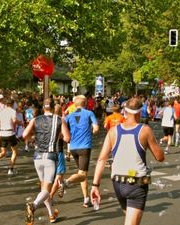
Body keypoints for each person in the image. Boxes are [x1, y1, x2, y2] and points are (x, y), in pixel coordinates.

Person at [90, 97, 164, 225]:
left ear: (125, 111)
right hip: (136, 183)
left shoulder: (113, 131)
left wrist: (95, 185)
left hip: (118, 183)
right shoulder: (145, 130)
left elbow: (102, 159)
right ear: (140, 112)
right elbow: (160, 157)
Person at [23, 98, 70, 225]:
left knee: (44, 189)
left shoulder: (35, 119)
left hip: (37, 156)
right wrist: (58, 135)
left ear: (43, 107)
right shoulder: (59, 120)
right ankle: (33, 205)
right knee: (47, 190)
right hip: (50, 156)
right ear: (54, 107)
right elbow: (67, 138)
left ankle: (51, 215)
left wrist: (34, 138)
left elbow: (24, 135)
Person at [59, 95, 99, 207]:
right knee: (82, 174)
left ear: (74, 104)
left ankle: (86, 199)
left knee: (81, 173)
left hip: (73, 148)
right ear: (85, 103)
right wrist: (93, 130)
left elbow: (63, 132)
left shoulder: (69, 116)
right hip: (84, 147)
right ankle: (66, 182)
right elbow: (96, 128)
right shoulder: (89, 113)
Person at [0, 98, 18, 175]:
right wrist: (20, 122)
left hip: (2, 133)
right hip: (10, 133)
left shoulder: (2, 112)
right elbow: (15, 120)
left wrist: (2, 125)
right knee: (15, 151)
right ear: (12, 104)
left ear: (6, 104)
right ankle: (11, 169)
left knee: (3, 152)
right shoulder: (13, 111)